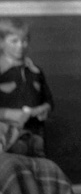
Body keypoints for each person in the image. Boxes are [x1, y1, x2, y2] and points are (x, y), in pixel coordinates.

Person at [0, 18, 53, 158]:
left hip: (35, 136)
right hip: (7, 139)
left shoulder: (35, 71)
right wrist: (9, 114)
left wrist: (41, 110)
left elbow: (48, 101)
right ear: (1, 43)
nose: (20, 46)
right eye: (14, 41)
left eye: (24, 41)